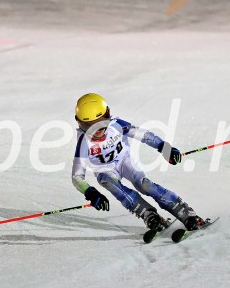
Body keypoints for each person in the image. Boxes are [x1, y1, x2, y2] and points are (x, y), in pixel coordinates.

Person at [71, 93, 205, 231]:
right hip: (104, 170)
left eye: (101, 122)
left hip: (124, 161)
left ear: (108, 114)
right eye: (89, 125)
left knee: (144, 185)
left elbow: (142, 135)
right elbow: (77, 176)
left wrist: (163, 147)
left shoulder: (115, 125)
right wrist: (89, 192)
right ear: (80, 123)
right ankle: (149, 214)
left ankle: (185, 212)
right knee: (112, 185)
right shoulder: (84, 142)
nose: (97, 131)